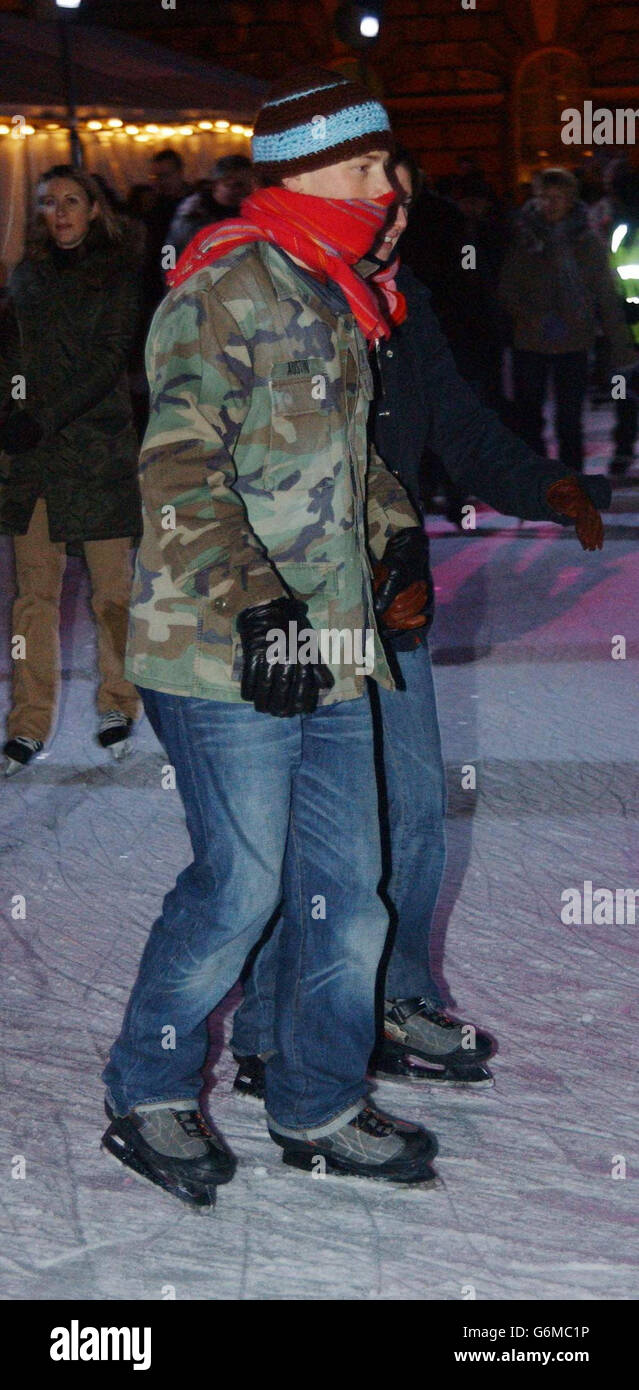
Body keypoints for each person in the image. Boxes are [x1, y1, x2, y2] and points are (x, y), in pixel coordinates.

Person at [101, 69, 444, 1207]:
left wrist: (392, 539)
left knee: (348, 891)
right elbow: (179, 470)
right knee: (243, 888)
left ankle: (316, 1097)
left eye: (387, 166)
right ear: (304, 177)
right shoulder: (223, 293)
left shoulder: (335, 290)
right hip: (222, 646)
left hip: (333, 646)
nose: (388, 186)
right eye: (368, 167)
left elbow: (345, 461)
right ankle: (149, 1090)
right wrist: (261, 607)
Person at [230, 153, 613, 1102]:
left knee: (409, 820)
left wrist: (546, 487)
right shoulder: (273, 297)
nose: (388, 218)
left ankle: (393, 999)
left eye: (397, 201)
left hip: (390, 602)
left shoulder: (405, 308)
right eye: (371, 198)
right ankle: (272, 1023)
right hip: (294, 605)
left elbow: (459, 426)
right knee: (298, 831)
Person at [0, 165, 143, 774]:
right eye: (48, 203)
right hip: (33, 458)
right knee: (33, 597)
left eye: (70, 201)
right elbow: (11, 356)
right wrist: (12, 410)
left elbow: (110, 359)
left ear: (93, 210)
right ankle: (28, 721)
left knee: (113, 592)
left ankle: (118, 702)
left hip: (97, 451)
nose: (59, 213)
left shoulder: (117, 276)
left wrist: (44, 416)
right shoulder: (24, 278)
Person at [499, 166, 635, 473]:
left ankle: (573, 482)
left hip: (574, 341)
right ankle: (539, 480)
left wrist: (620, 347)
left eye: (558, 197)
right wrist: (534, 319)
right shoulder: (524, 239)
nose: (550, 204)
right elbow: (507, 289)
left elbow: (605, 296)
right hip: (531, 343)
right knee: (530, 417)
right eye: (544, 197)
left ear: (571, 199)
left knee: (569, 419)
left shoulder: (587, 243)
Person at [167, 155, 255, 258]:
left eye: (249, 185)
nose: (244, 191)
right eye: (236, 185)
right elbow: (172, 249)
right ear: (216, 183)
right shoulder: (192, 214)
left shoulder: (252, 212)